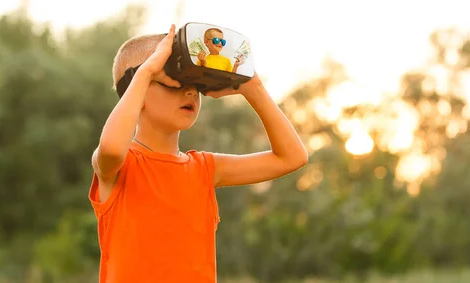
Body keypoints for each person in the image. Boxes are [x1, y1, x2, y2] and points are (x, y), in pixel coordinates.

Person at [88, 24, 308, 283]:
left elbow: (292, 157)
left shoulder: (204, 169)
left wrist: (253, 87)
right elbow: (112, 147)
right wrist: (146, 71)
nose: (190, 91)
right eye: (175, 82)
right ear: (137, 91)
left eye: (195, 84)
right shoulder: (121, 166)